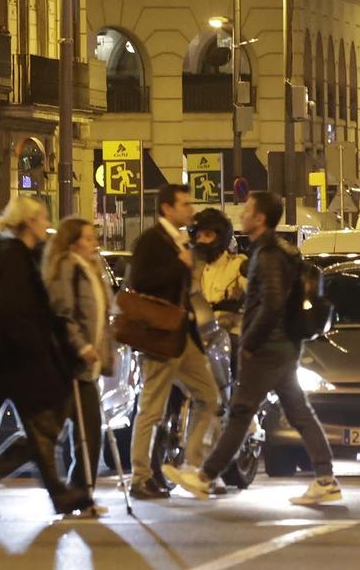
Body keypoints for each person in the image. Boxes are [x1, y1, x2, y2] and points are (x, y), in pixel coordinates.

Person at [166, 190, 343, 508]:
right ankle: (325, 479)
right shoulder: (272, 250)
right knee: (298, 412)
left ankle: (205, 476)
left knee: (241, 412)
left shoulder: (268, 254)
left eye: (247, 209)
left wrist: (250, 342)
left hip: (269, 347)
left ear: (260, 218)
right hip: (282, 345)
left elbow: (272, 302)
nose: (243, 214)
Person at [0, 195, 86, 520]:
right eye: (41, 218)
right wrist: (37, 354)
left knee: (6, 430)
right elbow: (12, 314)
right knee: (19, 429)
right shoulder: (14, 259)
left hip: (2, 363)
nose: (46, 224)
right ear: (28, 222)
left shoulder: (17, 256)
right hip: (9, 363)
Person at [128, 184, 220, 498]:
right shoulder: (152, 241)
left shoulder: (182, 240)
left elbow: (188, 294)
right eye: (184, 204)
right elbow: (138, 281)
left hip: (183, 335)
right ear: (167, 208)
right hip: (159, 336)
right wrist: (177, 265)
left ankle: (192, 465)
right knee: (151, 408)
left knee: (208, 396)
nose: (190, 209)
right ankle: (140, 477)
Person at [46, 217, 115, 512]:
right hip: (71, 365)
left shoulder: (92, 270)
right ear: (73, 241)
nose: (94, 242)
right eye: (88, 238)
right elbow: (64, 314)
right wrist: (83, 346)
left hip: (88, 368)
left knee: (89, 432)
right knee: (50, 432)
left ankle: (82, 495)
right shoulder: (67, 268)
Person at [192, 206, 247, 338]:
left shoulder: (237, 265)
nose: (201, 240)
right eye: (198, 236)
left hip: (230, 337)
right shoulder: (193, 270)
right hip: (200, 338)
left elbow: (254, 294)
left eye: (208, 235)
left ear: (221, 237)